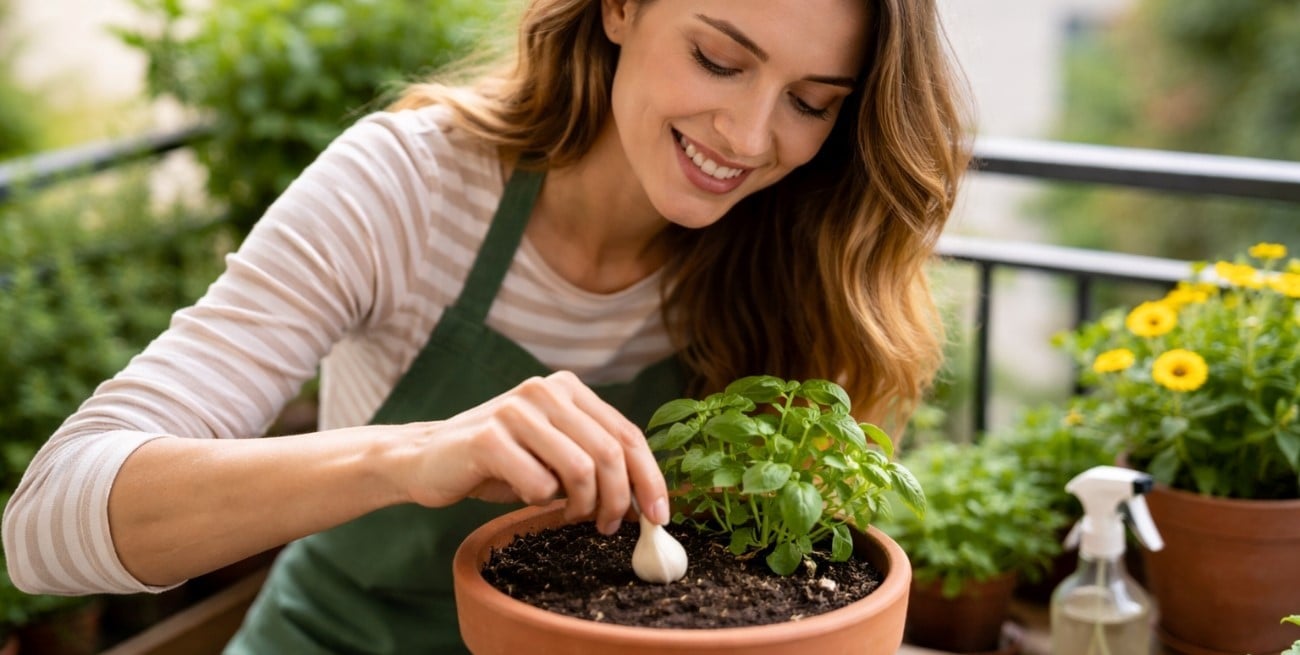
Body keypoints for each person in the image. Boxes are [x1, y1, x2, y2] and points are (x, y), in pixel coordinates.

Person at [2, 0, 970, 652]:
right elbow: (45, 523)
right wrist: (410, 453)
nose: (751, 137)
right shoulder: (411, 190)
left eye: (810, 103)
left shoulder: (802, 256)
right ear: (621, 6)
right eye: (718, 58)